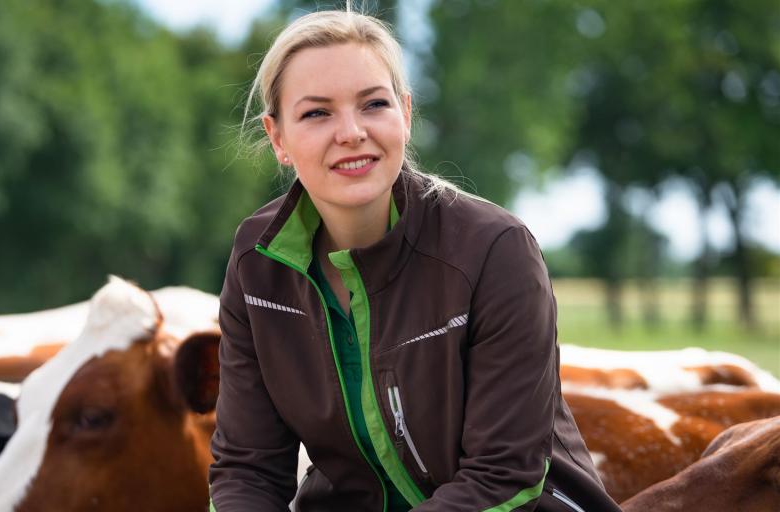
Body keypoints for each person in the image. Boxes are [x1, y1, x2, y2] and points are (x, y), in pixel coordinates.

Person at [208, 9, 621, 512]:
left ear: (404, 113)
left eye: (374, 104)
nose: (352, 132)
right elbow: (247, 470)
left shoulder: (495, 249)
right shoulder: (257, 261)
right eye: (317, 113)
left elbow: (503, 476)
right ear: (278, 138)